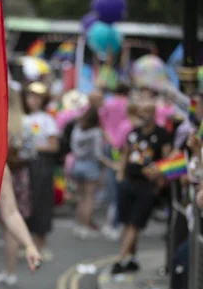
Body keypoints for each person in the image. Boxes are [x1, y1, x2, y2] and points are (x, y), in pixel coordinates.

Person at [112, 102, 172, 274]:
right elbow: (126, 154)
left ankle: (120, 259)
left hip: (147, 186)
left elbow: (167, 160)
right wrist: (120, 175)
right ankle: (132, 258)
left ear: (154, 113)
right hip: (129, 182)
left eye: (146, 111)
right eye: (140, 111)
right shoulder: (133, 133)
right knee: (128, 222)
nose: (142, 115)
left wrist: (158, 175)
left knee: (135, 223)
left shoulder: (162, 135)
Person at [0, 83, 32, 286]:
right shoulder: (24, 123)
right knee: (13, 219)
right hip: (20, 174)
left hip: (1, 173)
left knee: (5, 223)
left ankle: (7, 270)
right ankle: (11, 271)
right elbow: (31, 151)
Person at [22, 81, 59, 260]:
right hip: (25, 165)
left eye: (37, 97)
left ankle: (42, 244)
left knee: (42, 203)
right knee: (27, 202)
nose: (33, 100)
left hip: (42, 165)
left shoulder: (47, 119)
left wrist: (35, 148)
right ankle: (28, 244)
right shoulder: (22, 118)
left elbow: (53, 146)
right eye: (30, 96)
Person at [101, 102, 140, 240]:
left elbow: (117, 144)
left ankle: (115, 225)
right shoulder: (139, 126)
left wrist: (106, 136)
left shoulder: (125, 125)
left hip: (121, 162)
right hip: (135, 165)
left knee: (116, 194)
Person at [70, 106, 107, 239]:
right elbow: (98, 153)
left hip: (78, 164)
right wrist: (108, 163)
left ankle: (79, 225)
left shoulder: (77, 129)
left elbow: (73, 147)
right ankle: (85, 226)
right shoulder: (96, 132)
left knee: (80, 197)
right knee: (89, 198)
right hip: (90, 166)